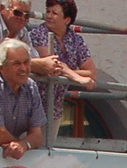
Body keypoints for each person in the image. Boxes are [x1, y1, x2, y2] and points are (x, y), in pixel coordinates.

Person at [26, 0, 94, 129]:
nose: (49, 16)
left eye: (55, 13)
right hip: (32, 107)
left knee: (49, 148)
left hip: (54, 109)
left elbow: (92, 72)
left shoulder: (76, 39)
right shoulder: (38, 34)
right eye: (48, 11)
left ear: (67, 20)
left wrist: (67, 71)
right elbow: (51, 64)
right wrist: (75, 76)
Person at [0, 37, 45, 152]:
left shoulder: (31, 86)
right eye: (16, 64)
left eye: (26, 62)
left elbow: (37, 136)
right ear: (0, 67)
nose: (23, 68)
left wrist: (23, 145)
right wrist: (19, 145)